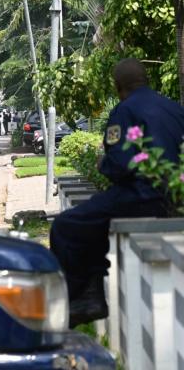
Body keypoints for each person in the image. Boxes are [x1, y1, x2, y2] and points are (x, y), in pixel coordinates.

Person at [50, 58, 184, 327]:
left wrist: (103, 163)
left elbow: (120, 165)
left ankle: (80, 298)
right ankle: (92, 297)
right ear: (146, 80)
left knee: (67, 226)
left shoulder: (124, 112)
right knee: (94, 221)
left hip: (141, 195)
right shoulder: (173, 108)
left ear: (117, 86)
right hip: (174, 196)